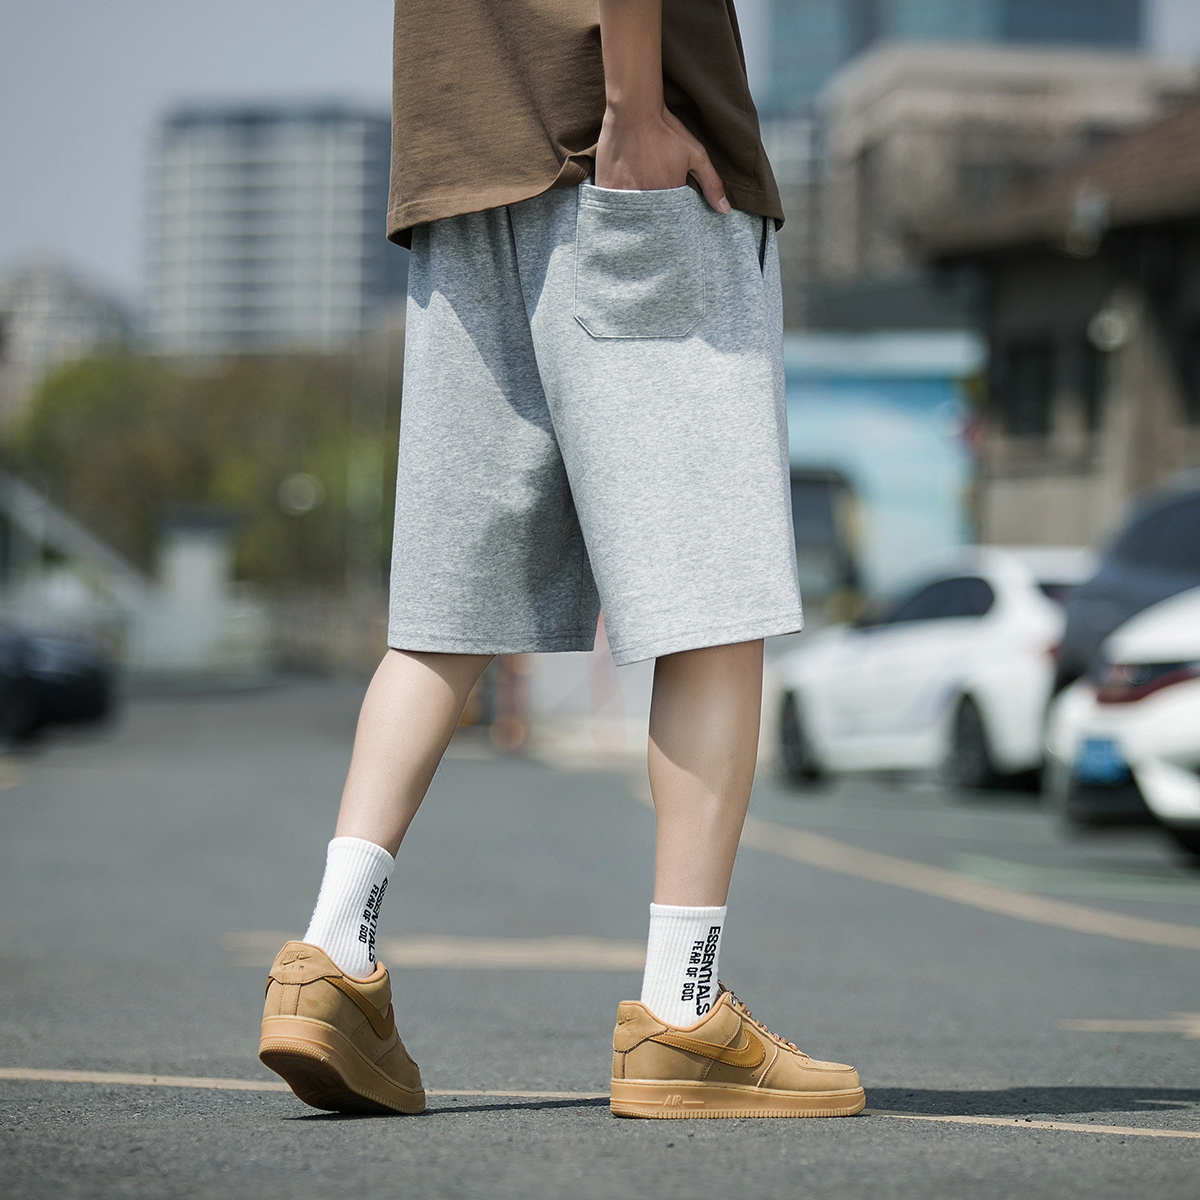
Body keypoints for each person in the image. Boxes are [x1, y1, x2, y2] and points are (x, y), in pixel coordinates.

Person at [258, 0, 864, 1120]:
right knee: (711, 600)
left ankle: (329, 956)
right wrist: (634, 106)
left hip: (457, 174)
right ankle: (683, 1014)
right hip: (631, 165)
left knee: (444, 615)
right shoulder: (632, 126)